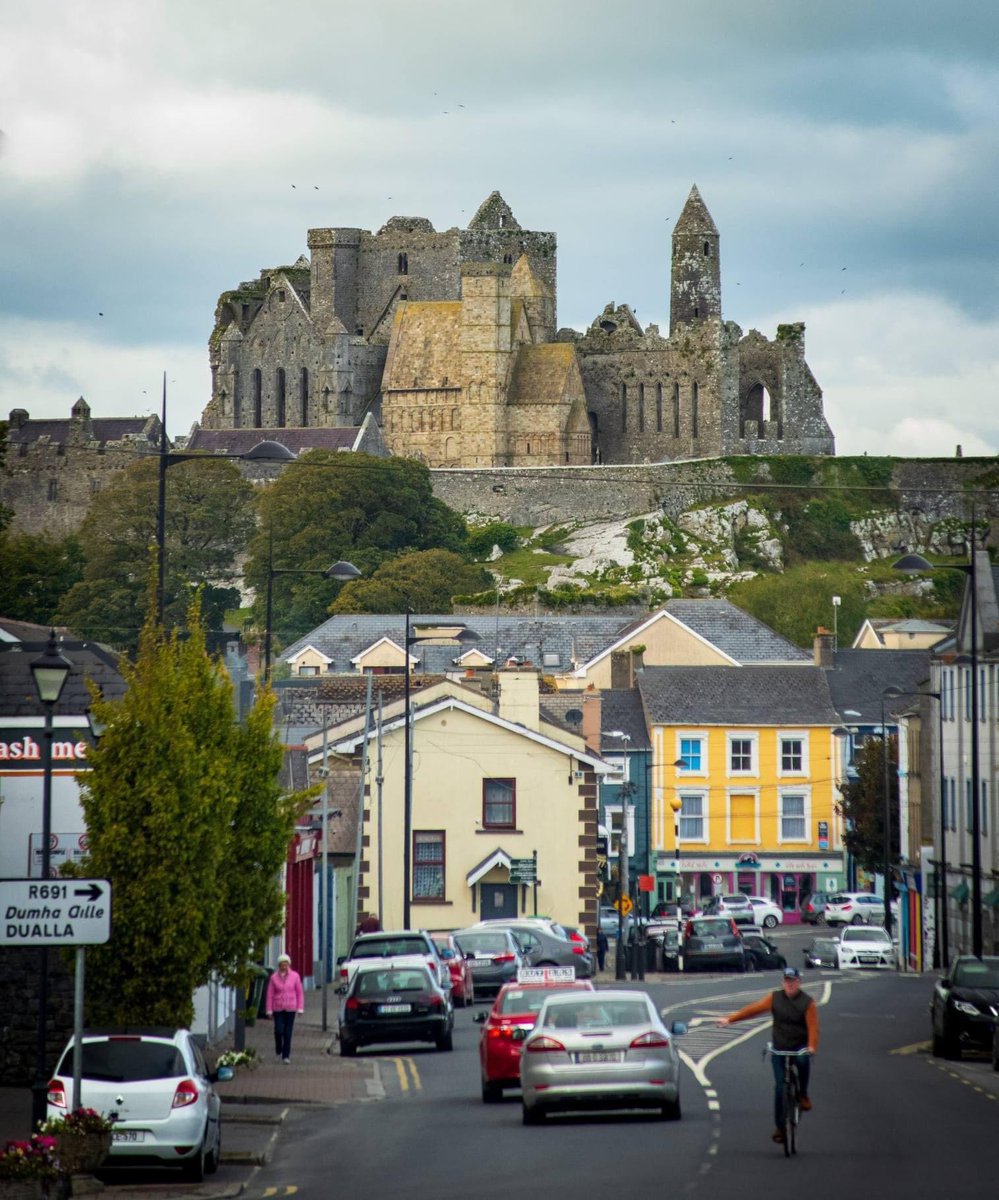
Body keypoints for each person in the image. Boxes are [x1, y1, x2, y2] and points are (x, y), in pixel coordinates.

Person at [716, 965, 819, 1144]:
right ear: (783, 982)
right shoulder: (775, 998)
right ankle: (780, 1127)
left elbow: (813, 1027)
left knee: (803, 1060)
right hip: (779, 1048)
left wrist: (811, 1046)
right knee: (780, 1088)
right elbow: (754, 1009)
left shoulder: (807, 1003)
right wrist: (730, 1019)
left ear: (799, 982)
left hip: (799, 1046)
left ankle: (803, 1094)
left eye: (793, 981)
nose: (790, 985)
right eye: (787, 981)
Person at [265, 953, 304, 1064]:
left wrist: (300, 1008)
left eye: (286, 964)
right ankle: (279, 1049)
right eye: (282, 964)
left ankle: (286, 1055)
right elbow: (269, 994)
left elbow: (299, 993)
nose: (284, 966)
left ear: (289, 965)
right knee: (278, 1030)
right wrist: (269, 1010)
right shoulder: (274, 978)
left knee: (287, 1033)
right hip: (278, 1008)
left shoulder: (295, 976)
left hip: (291, 1008)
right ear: (279, 965)